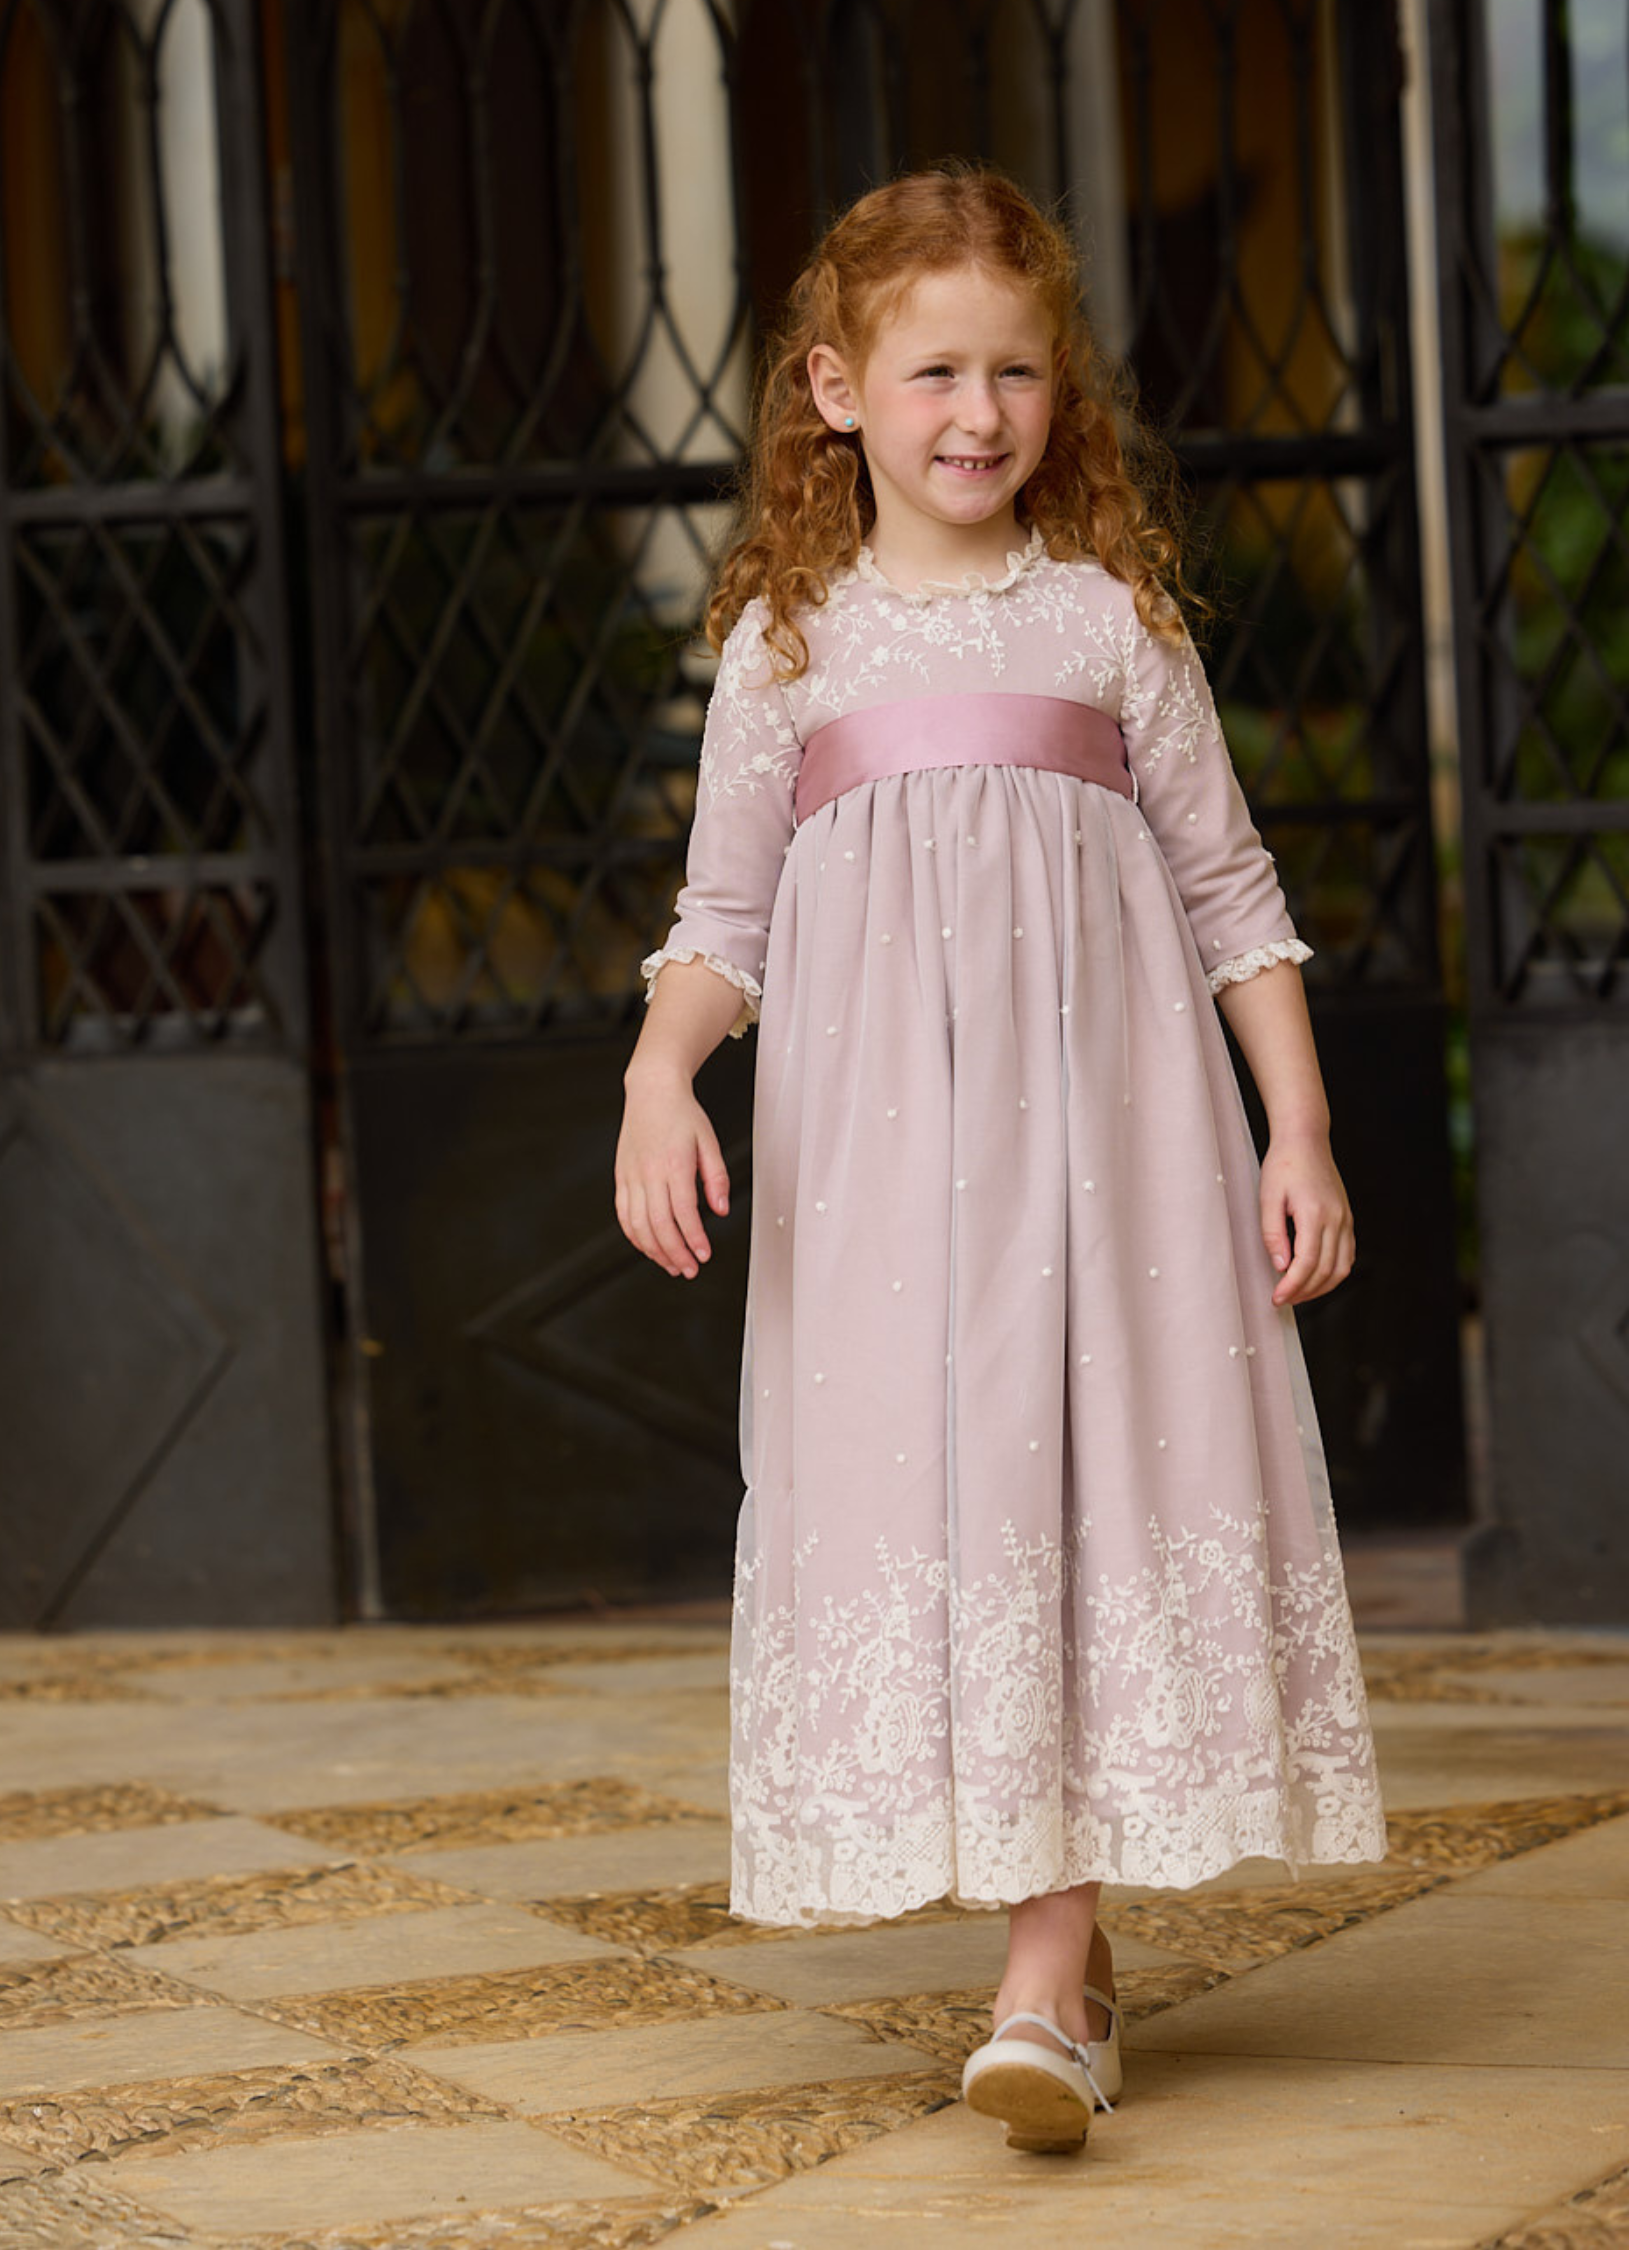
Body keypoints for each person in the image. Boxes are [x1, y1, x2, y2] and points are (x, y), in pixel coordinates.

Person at [614, 163, 1386, 2156]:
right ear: (835, 391)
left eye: (1018, 372)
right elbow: (723, 918)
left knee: (1093, 1489)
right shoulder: (793, 644)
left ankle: (1047, 1971)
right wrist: (659, 1076)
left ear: (1065, 392)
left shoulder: (1110, 624)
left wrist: (1295, 1128)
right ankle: (1069, 1959)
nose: (980, 413)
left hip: (1109, 1173)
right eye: (935, 371)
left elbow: (1231, 893)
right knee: (951, 1512)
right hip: (887, 1195)